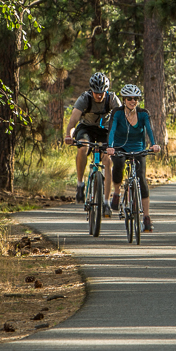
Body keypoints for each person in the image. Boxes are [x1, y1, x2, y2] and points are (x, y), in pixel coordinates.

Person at [104, 84, 162, 232]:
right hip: (119, 146)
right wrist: (110, 146)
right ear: (124, 99)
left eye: (135, 99)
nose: (133, 101)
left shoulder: (143, 114)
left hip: (138, 148)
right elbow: (112, 130)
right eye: (129, 98)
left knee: (142, 179)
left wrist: (154, 144)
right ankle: (117, 192)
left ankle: (147, 217)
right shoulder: (117, 113)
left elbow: (149, 129)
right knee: (119, 165)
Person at [63, 72, 120, 217]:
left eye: (102, 93)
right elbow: (72, 122)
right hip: (86, 128)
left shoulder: (112, 99)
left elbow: (122, 120)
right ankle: (80, 184)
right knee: (83, 147)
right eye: (96, 92)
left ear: (106, 91)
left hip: (105, 130)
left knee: (107, 160)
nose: (99, 96)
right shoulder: (84, 99)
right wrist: (68, 135)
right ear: (91, 90)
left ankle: (106, 202)